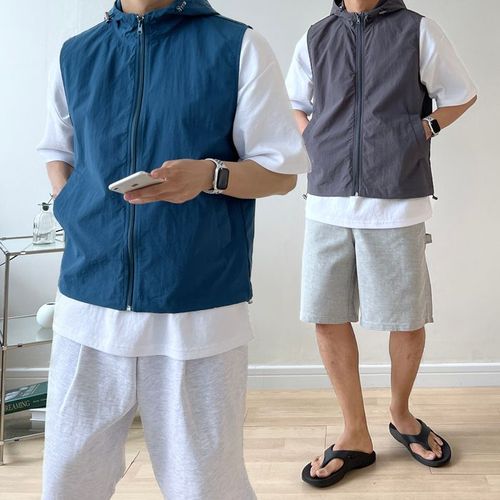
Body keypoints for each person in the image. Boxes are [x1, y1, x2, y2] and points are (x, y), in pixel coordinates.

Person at [37, 0, 310, 498]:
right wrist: (69, 206)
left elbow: (281, 172)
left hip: (197, 308)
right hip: (87, 306)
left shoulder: (237, 46)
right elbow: (59, 150)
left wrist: (210, 175)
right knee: (67, 483)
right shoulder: (76, 54)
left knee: (204, 487)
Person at [286, 0, 477, 489]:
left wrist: (422, 130)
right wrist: (316, 143)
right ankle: (354, 433)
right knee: (327, 316)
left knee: (406, 318)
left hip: (398, 201)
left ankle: (401, 415)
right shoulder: (317, 35)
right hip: (327, 201)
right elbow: (293, 102)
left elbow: (461, 94)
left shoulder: (417, 30)